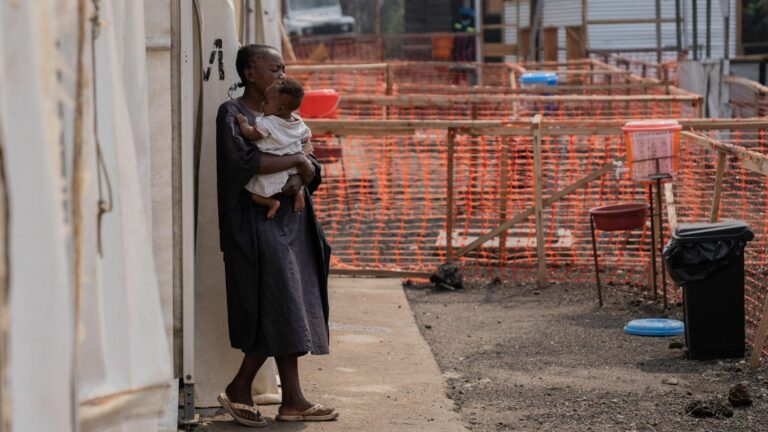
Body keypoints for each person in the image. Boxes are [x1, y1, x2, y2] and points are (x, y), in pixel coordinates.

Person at [215, 44, 336, 427]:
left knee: (290, 304)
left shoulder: (289, 115)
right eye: (273, 68)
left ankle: (292, 400)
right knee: (277, 302)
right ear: (250, 73)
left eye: (283, 68)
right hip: (257, 224)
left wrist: (299, 173)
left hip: (294, 223)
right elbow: (246, 161)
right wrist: (297, 161)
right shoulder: (233, 114)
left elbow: (312, 161)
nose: (281, 75)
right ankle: (241, 387)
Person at [236, 78, 312, 219]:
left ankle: (271, 203)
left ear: (280, 109)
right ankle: (298, 194)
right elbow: (305, 142)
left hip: (273, 172)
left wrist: (243, 123)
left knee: (252, 194)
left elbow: (252, 135)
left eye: (266, 101)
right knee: (297, 186)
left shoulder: (268, 123)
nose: (262, 103)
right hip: (292, 171)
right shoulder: (298, 122)